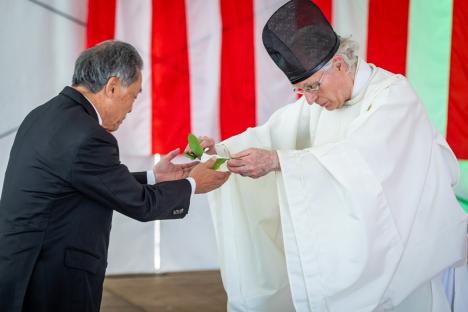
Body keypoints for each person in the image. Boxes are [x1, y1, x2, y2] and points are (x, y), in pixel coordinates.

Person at [187, 1, 467, 311]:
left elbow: (364, 161)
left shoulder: (393, 98)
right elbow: (269, 136)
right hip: (346, 255)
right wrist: (221, 153)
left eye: (313, 86)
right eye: (301, 90)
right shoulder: (318, 105)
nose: (309, 99)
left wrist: (279, 161)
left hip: (399, 271)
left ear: (340, 64)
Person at [0, 40, 230, 312]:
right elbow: (141, 205)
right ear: (111, 87)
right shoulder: (87, 135)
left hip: (22, 266)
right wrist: (192, 184)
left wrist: (154, 177)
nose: (132, 108)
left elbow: (85, 182)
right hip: (52, 279)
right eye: (133, 95)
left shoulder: (43, 115)